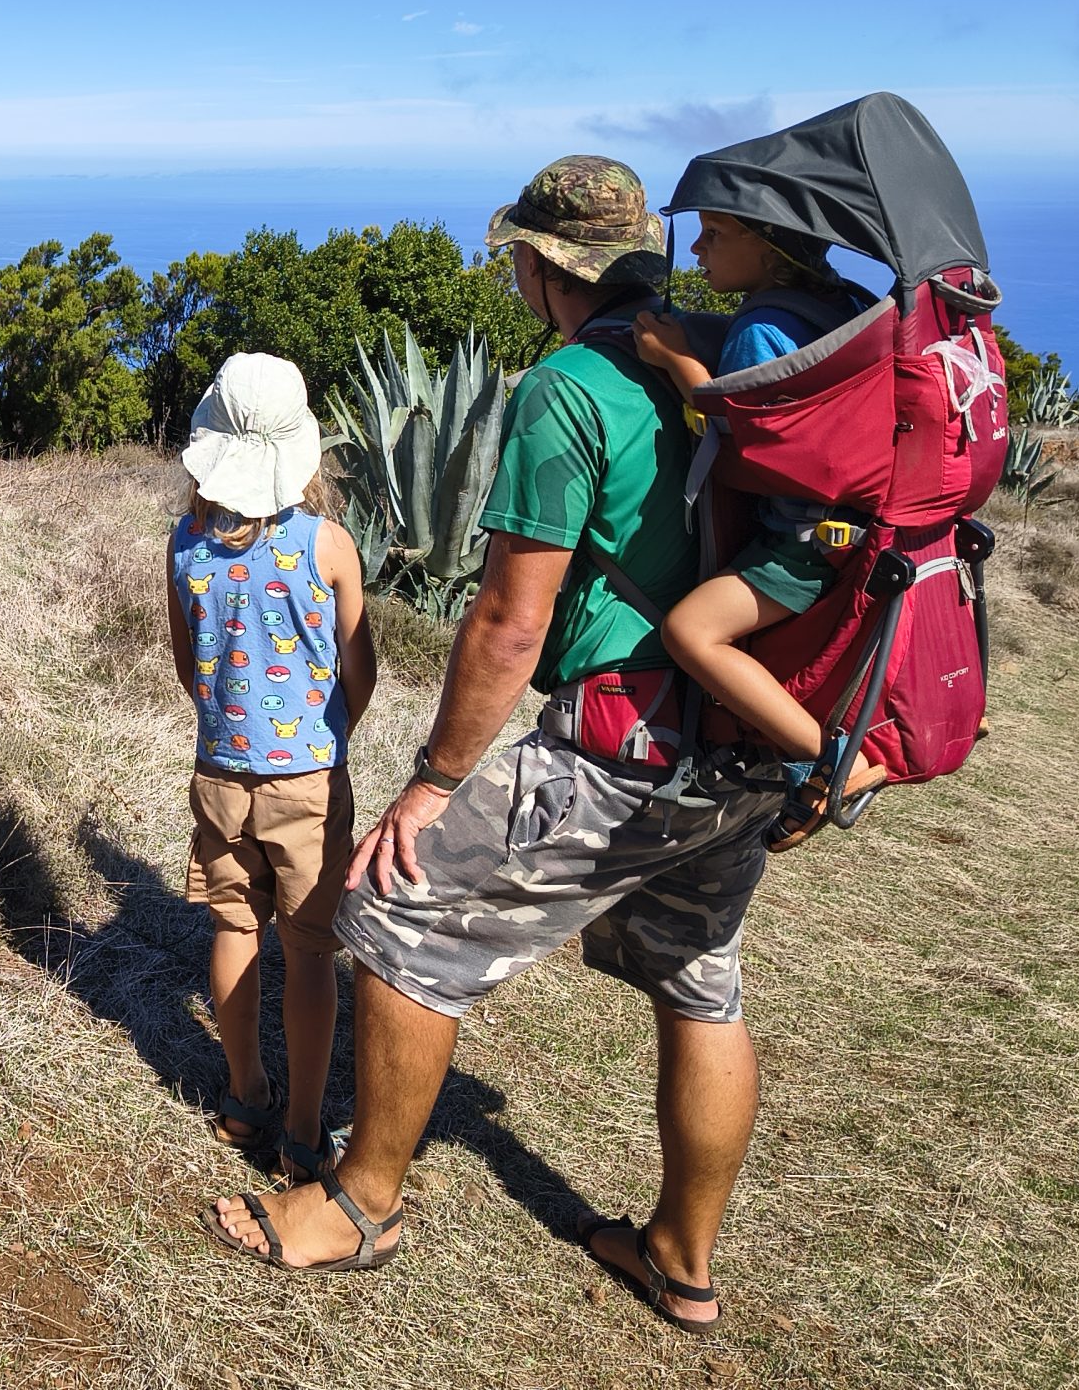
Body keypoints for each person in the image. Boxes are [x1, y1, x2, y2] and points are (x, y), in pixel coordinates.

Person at [206, 157, 787, 1327]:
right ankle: (679, 1258)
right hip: (744, 734)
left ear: (539, 265)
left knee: (395, 912)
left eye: (519, 255)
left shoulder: (568, 386)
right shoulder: (716, 358)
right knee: (700, 982)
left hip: (626, 738)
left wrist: (434, 781)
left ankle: (360, 1204)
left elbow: (510, 622)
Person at [167, 352, 376, 1183]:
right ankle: (302, 1130)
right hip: (310, 785)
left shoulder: (185, 545)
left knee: (233, 929)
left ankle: (245, 1094)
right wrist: (327, 737)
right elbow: (360, 672)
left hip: (219, 773)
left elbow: (187, 667)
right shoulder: (329, 546)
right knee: (311, 952)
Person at [629, 212, 880, 843]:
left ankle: (830, 761)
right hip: (865, 527)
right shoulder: (854, 304)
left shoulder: (759, 330)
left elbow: (743, 443)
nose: (696, 247)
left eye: (715, 233)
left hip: (802, 544)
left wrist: (677, 361)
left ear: (769, 248)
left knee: (691, 632)